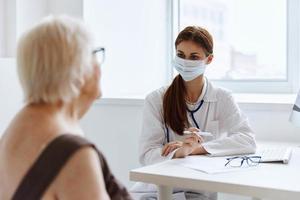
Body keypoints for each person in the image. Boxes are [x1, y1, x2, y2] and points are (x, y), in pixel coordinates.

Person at [0, 16, 131, 200]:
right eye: (94, 54)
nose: (99, 67)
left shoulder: (15, 128)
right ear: (78, 71)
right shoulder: (74, 154)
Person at [137, 26, 256, 199]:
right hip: (158, 192)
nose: (185, 62)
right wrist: (180, 152)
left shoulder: (222, 98)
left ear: (209, 59)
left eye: (194, 57)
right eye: (180, 55)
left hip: (201, 191)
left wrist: (195, 149)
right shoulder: (156, 99)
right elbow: (146, 154)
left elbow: (247, 140)